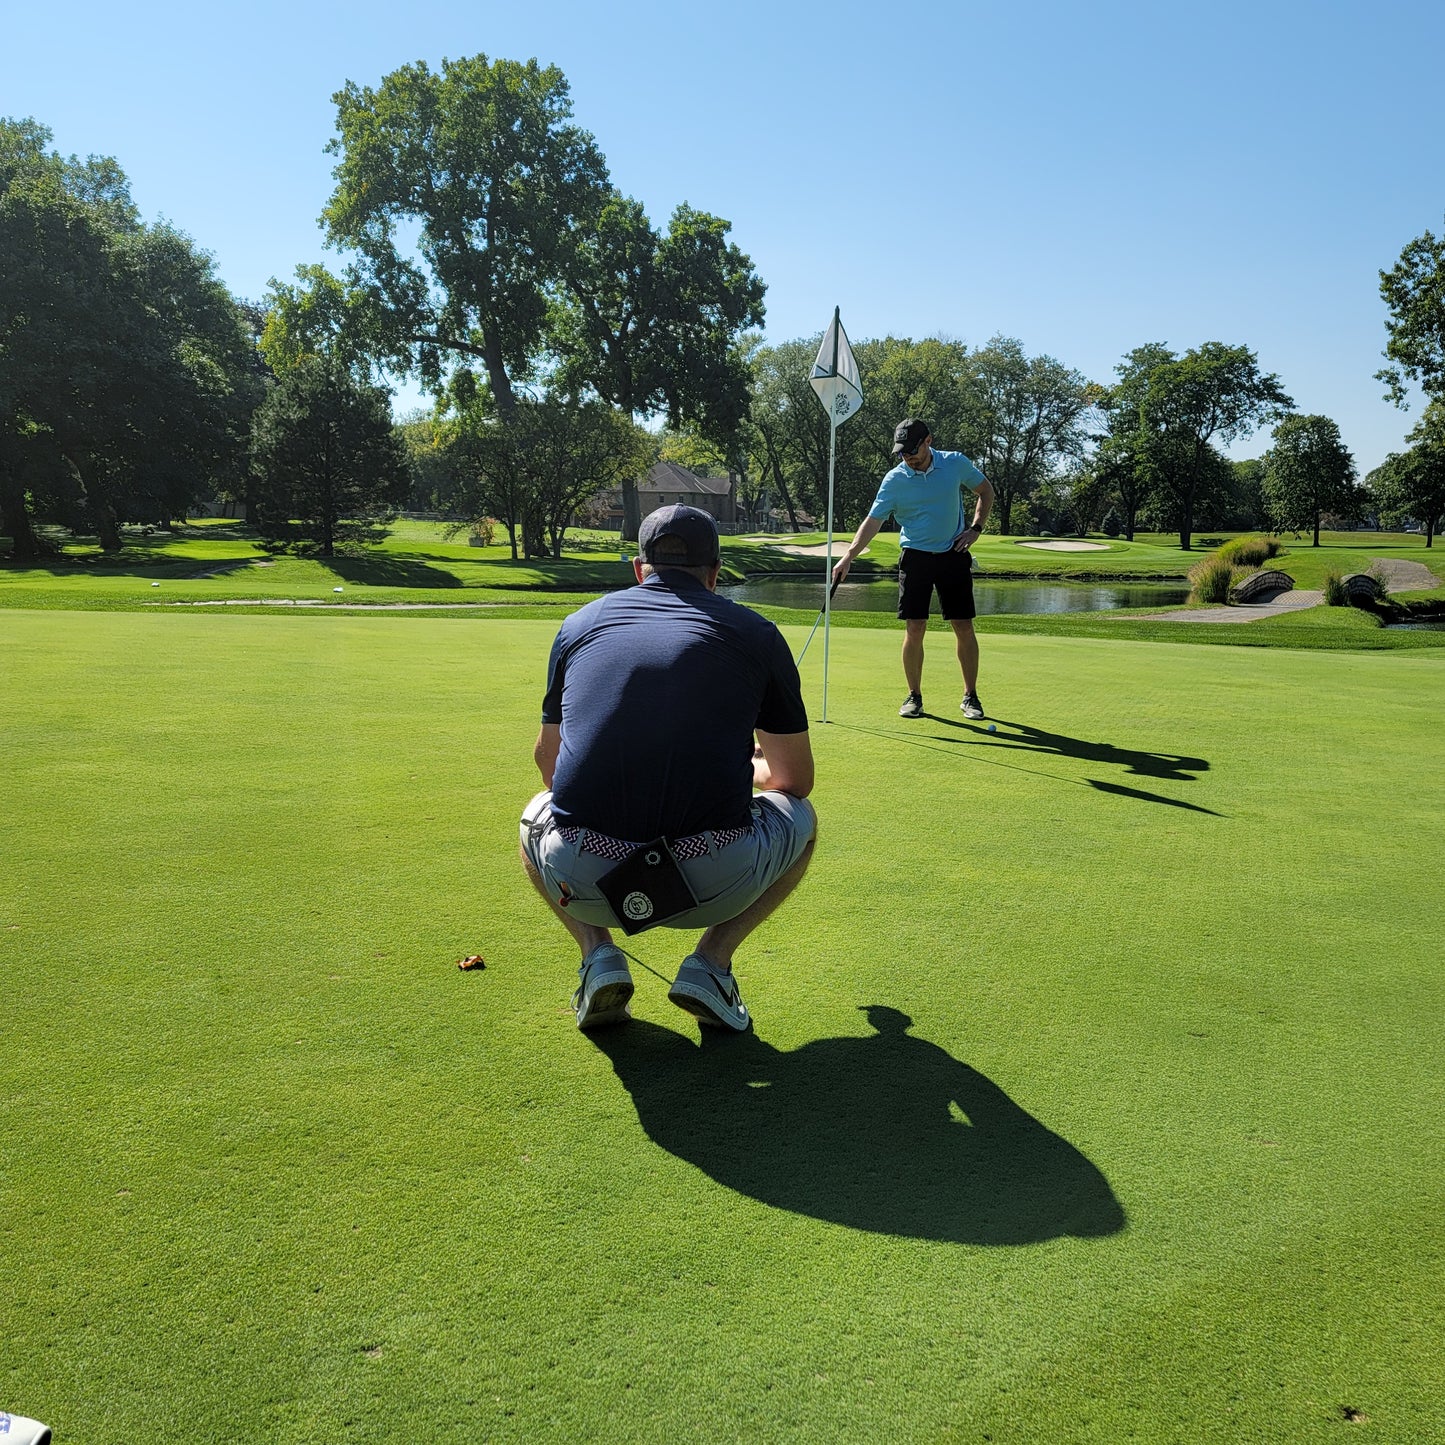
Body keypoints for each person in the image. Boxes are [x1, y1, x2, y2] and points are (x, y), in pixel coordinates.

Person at [519, 504, 817, 1034]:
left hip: (587, 875)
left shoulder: (578, 624)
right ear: (715, 573)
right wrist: (748, 764)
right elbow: (793, 781)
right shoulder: (756, 633)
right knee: (803, 818)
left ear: (639, 568)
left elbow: (549, 768)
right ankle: (712, 964)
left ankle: (597, 956)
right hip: (715, 878)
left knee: (533, 817)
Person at [831, 418, 995, 719]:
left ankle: (970, 696)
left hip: (953, 553)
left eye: (913, 450)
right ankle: (914, 696)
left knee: (963, 625)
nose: (909, 457)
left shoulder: (954, 463)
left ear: (928, 441)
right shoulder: (895, 479)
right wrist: (849, 556)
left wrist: (975, 529)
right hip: (915, 557)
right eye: (903, 453)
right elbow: (873, 521)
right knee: (915, 627)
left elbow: (986, 490)